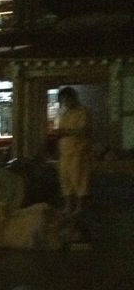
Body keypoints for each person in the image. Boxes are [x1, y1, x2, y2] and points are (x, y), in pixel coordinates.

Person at [56, 86, 92, 215]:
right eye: (63, 100)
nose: (66, 103)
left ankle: (80, 208)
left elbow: (83, 131)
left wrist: (66, 132)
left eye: (67, 100)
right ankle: (68, 206)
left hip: (78, 152)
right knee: (65, 179)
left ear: (74, 98)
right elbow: (60, 132)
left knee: (79, 179)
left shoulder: (83, 112)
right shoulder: (64, 113)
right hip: (64, 152)